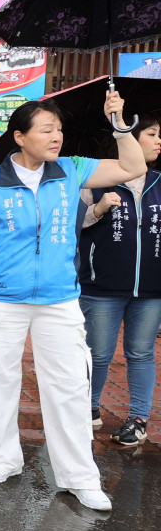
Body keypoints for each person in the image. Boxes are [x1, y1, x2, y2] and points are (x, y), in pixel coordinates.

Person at [0, 93, 146, 511]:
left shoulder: (71, 169)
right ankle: (3, 458)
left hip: (60, 298)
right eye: (46, 129)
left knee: (68, 385)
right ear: (19, 137)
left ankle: (79, 477)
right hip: (3, 299)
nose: (57, 137)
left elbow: (133, 167)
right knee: (2, 379)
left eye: (59, 129)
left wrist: (118, 121)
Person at [79, 112, 161, 446]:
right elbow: (71, 226)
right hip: (102, 287)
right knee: (97, 353)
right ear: (130, 137)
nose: (158, 141)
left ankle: (138, 419)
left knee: (141, 353)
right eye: (153, 134)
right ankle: (89, 409)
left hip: (152, 290)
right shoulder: (97, 180)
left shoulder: (159, 183)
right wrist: (98, 210)